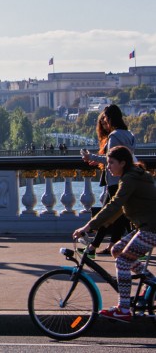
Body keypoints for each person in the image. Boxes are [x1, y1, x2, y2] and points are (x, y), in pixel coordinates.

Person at [72, 145, 156, 322]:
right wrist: (97, 226)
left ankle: (124, 309)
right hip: (147, 226)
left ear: (123, 163)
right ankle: (152, 286)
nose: (108, 167)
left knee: (123, 261)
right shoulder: (132, 175)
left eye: (111, 163)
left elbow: (115, 205)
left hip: (152, 229)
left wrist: (88, 226)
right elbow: (118, 210)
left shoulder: (130, 179)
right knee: (117, 249)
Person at [82, 104, 135, 255]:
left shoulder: (114, 136)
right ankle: (110, 245)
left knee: (108, 213)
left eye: (105, 119)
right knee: (119, 216)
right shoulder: (129, 134)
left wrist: (90, 157)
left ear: (111, 119)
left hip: (114, 179)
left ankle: (93, 247)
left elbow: (110, 159)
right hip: (125, 177)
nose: (104, 122)